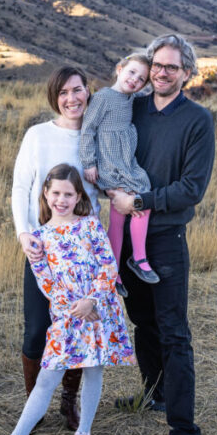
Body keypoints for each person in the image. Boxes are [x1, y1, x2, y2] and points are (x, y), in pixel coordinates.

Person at [108, 34, 215, 435]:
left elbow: (192, 188)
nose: (162, 72)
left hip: (165, 238)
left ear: (187, 73)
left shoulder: (197, 120)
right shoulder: (132, 109)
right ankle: (155, 394)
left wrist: (140, 201)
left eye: (172, 66)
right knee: (142, 322)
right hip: (124, 237)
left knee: (174, 334)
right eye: (157, 64)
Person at [0, 164, 136, 435]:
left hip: (98, 309)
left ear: (78, 197)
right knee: (47, 379)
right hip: (68, 316)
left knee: (93, 370)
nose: (61, 200)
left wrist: (92, 300)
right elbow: (47, 283)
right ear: (46, 194)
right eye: (56, 193)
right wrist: (75, 309)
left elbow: (108, 265)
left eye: (68, 194)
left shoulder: (90, 226)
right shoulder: (38, 238)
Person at [11, 66, 99, 431]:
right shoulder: (38, 135)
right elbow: (20, 187)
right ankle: (34, 405)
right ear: (54, 97)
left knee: (76, 328)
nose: (71, 99)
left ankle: (68, 400)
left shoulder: (97, 137)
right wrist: (23, 233)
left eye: (77, 90)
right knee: (37, 331)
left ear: (88, 91)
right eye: (63, 92)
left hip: (82, 256)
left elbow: (110, 190)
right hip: (42, 252)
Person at [79, 52, 156, 296]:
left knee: (125, 213)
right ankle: (138, 258)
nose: (135, 80)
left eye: (141, 79)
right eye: (132, 72)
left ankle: (114, 271)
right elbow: (88, 129)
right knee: (138, 204)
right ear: (120, 69)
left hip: (126, 163)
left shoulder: (131, 98)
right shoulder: (103, 97)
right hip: (110, 163)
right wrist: (89, 163)